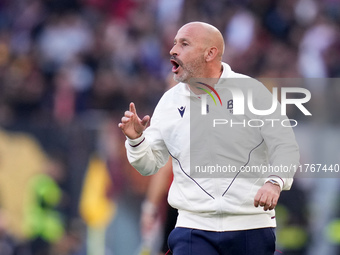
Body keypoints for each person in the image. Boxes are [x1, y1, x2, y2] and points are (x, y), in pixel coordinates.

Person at [118, 22, 299, 255]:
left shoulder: (252, 92)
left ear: (210, 53)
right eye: (174, 43)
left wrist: (275, 182)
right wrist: (136, 141)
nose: (173, 50)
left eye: (184, 44)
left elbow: (285, 145)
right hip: (192, 229)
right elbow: (149, 165)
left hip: (251, 227)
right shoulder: (168, 102)